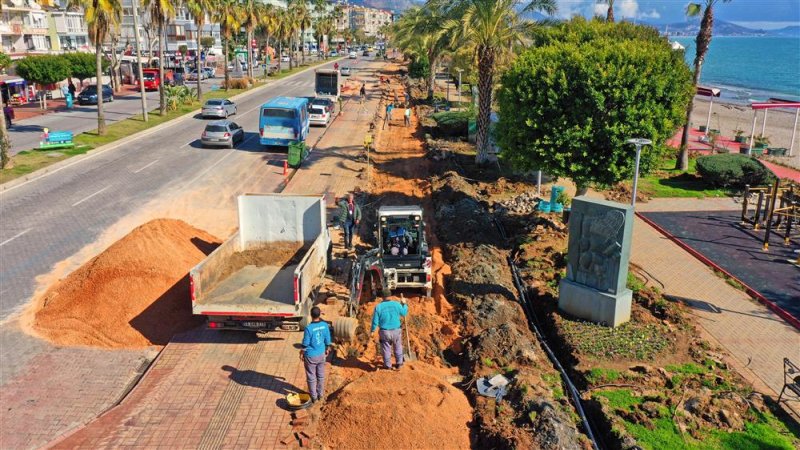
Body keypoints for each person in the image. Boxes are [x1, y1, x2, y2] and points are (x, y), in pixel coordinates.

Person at [299, 306, 331, 403]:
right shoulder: (325, 325)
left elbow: (305, 343)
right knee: (321, 375)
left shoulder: (308, 328)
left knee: (311, 376)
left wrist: (301, 352)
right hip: (321, 354)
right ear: (320, 314)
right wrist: (327, 347)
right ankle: (320, 394)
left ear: (311, 315)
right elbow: (328, 339)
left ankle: (314, 397)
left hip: (311, 356)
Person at [371, 296, 409, 370]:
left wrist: (372, 330)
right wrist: (404, 304)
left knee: (386, 349)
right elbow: (404, 313)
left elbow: (375, 321)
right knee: (398, 347)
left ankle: (388, 366)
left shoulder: (378, 307)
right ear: (390, 296)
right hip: (396, 331)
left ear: (382, 297)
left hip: (384, 332)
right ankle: (399, 363)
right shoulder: (396, 304)